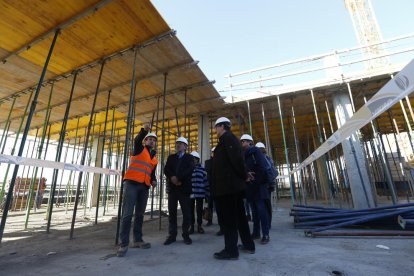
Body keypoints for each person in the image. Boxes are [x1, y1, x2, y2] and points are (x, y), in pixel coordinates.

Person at [211, 117, 255, 260]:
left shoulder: (228, 138)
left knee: (230, 220)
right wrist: (244, 174)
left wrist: (244, 174)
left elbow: (236, 159)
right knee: (240, 218)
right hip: (232, 187)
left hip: (228, 188)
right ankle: (248, 245)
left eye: (216, 127)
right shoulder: (228, 140)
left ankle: (231, 251)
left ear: (222, 126)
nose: (215, 130)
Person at [117, 124, 158, 257]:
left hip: (144, 187)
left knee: (140, 214)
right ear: (145, 141)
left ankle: (138, 240)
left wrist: (153, 180)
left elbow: (152, 173)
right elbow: (136, 140)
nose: (151, 141)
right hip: (132, 184)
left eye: (153, 140)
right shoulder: (140, 149)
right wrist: (144, 131)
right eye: (149, 139)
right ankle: (123, 244)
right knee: (128, 214)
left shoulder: (154, 158)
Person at [163, 137, 194, 245]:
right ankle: (172, 235)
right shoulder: (171, 157)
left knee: (186, 213)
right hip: (173, 189)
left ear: (185, 146)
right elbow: (166, 169)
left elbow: (190, 170)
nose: (178, 145)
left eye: (181, 144)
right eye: (177, 143)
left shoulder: (189, 158)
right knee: (172, 213)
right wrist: (172, 177)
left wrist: (178, 178)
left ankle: (186, 235)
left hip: (184, 189)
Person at [241, 135, 270, 244]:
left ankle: (266, 234)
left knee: (261, 211)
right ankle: (256, 232)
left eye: (243, 141)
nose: (242, 143)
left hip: (258, 186)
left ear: (250, 142)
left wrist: (255, 181)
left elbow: (262, 168)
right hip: (250, 187)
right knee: (254, 211)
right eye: (241, 141)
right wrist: (246, 177)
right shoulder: (244, 155)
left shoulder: (255, 152)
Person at [256, 142, 278, 229]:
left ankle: (266, 223)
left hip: (263, 185)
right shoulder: (269, 158)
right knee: (267, 204)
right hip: (268, 185)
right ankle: (268, 223)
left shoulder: (261, 158)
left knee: (262, 205)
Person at [189, 151, 209, 234]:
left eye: (195, 159)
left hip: (200, 193)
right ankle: (192, 226)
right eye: (192, 159)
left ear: (198, 160)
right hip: (190, 193)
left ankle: (199, 226)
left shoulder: (202, 169)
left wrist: (207, 192)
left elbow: (206, 181)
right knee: (190, 211)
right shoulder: (188, 169)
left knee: (199, 210)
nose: (193, 160)